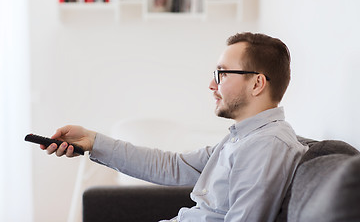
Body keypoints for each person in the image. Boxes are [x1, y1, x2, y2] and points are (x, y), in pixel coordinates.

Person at [42, 32, 308, 222]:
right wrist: (93, 140)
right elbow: (172, 165)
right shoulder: (244, 138)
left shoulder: (267, 146)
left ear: (257, 83)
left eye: (222, 73)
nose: (212, 85)